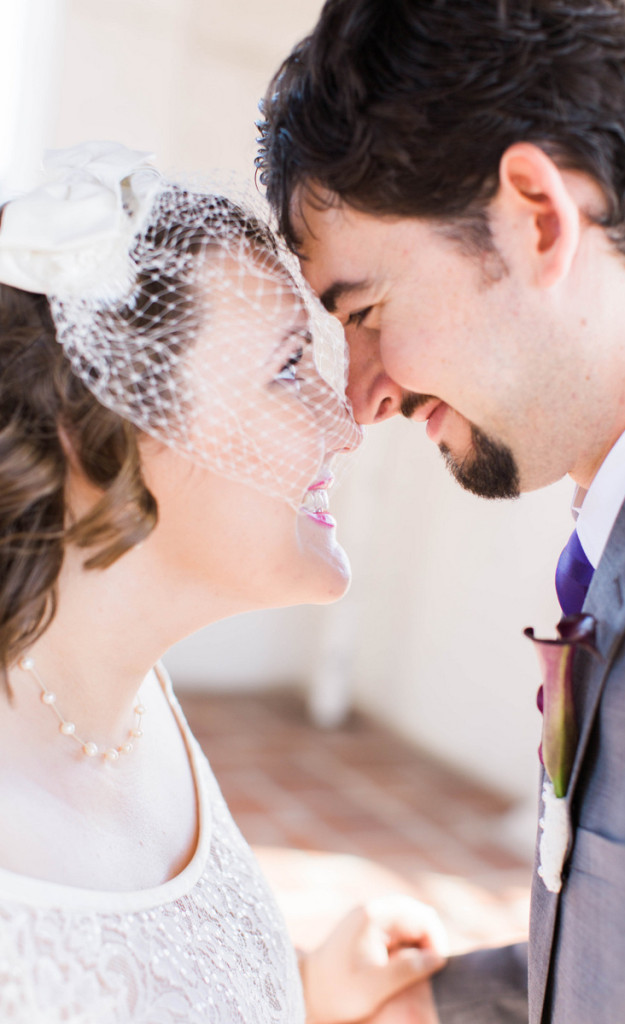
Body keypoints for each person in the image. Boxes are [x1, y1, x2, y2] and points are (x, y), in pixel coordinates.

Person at [256, 1, 625, 1022]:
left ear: (536, 214)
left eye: (363, 313)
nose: (362, 396)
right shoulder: (624, 513)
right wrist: (442, 1004)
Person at [0, 141, 448, 1023]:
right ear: (98, 434)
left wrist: (310, 992)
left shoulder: (138, 711)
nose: (344, 423)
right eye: (288, 366)